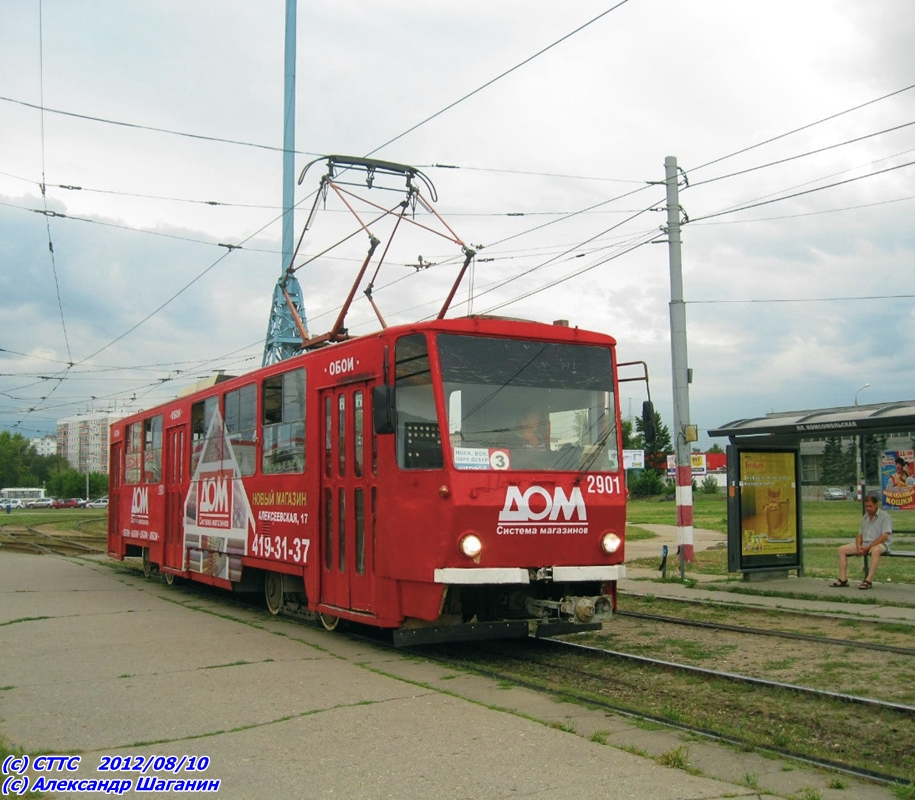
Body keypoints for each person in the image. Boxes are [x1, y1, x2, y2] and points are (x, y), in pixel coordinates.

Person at [830, 494, 892, 589]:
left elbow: (884, 536)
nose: (868, 508)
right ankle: (843, 579)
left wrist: (868, 547)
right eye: (866, 506)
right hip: (865, 544)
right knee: (841, 549)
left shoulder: (885, 516)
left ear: (876, 505)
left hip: (880, 544)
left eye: (870, 506)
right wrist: (859, 546)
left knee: (875, 551)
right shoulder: (865, 517)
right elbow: (860, 535)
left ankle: (868, 580)